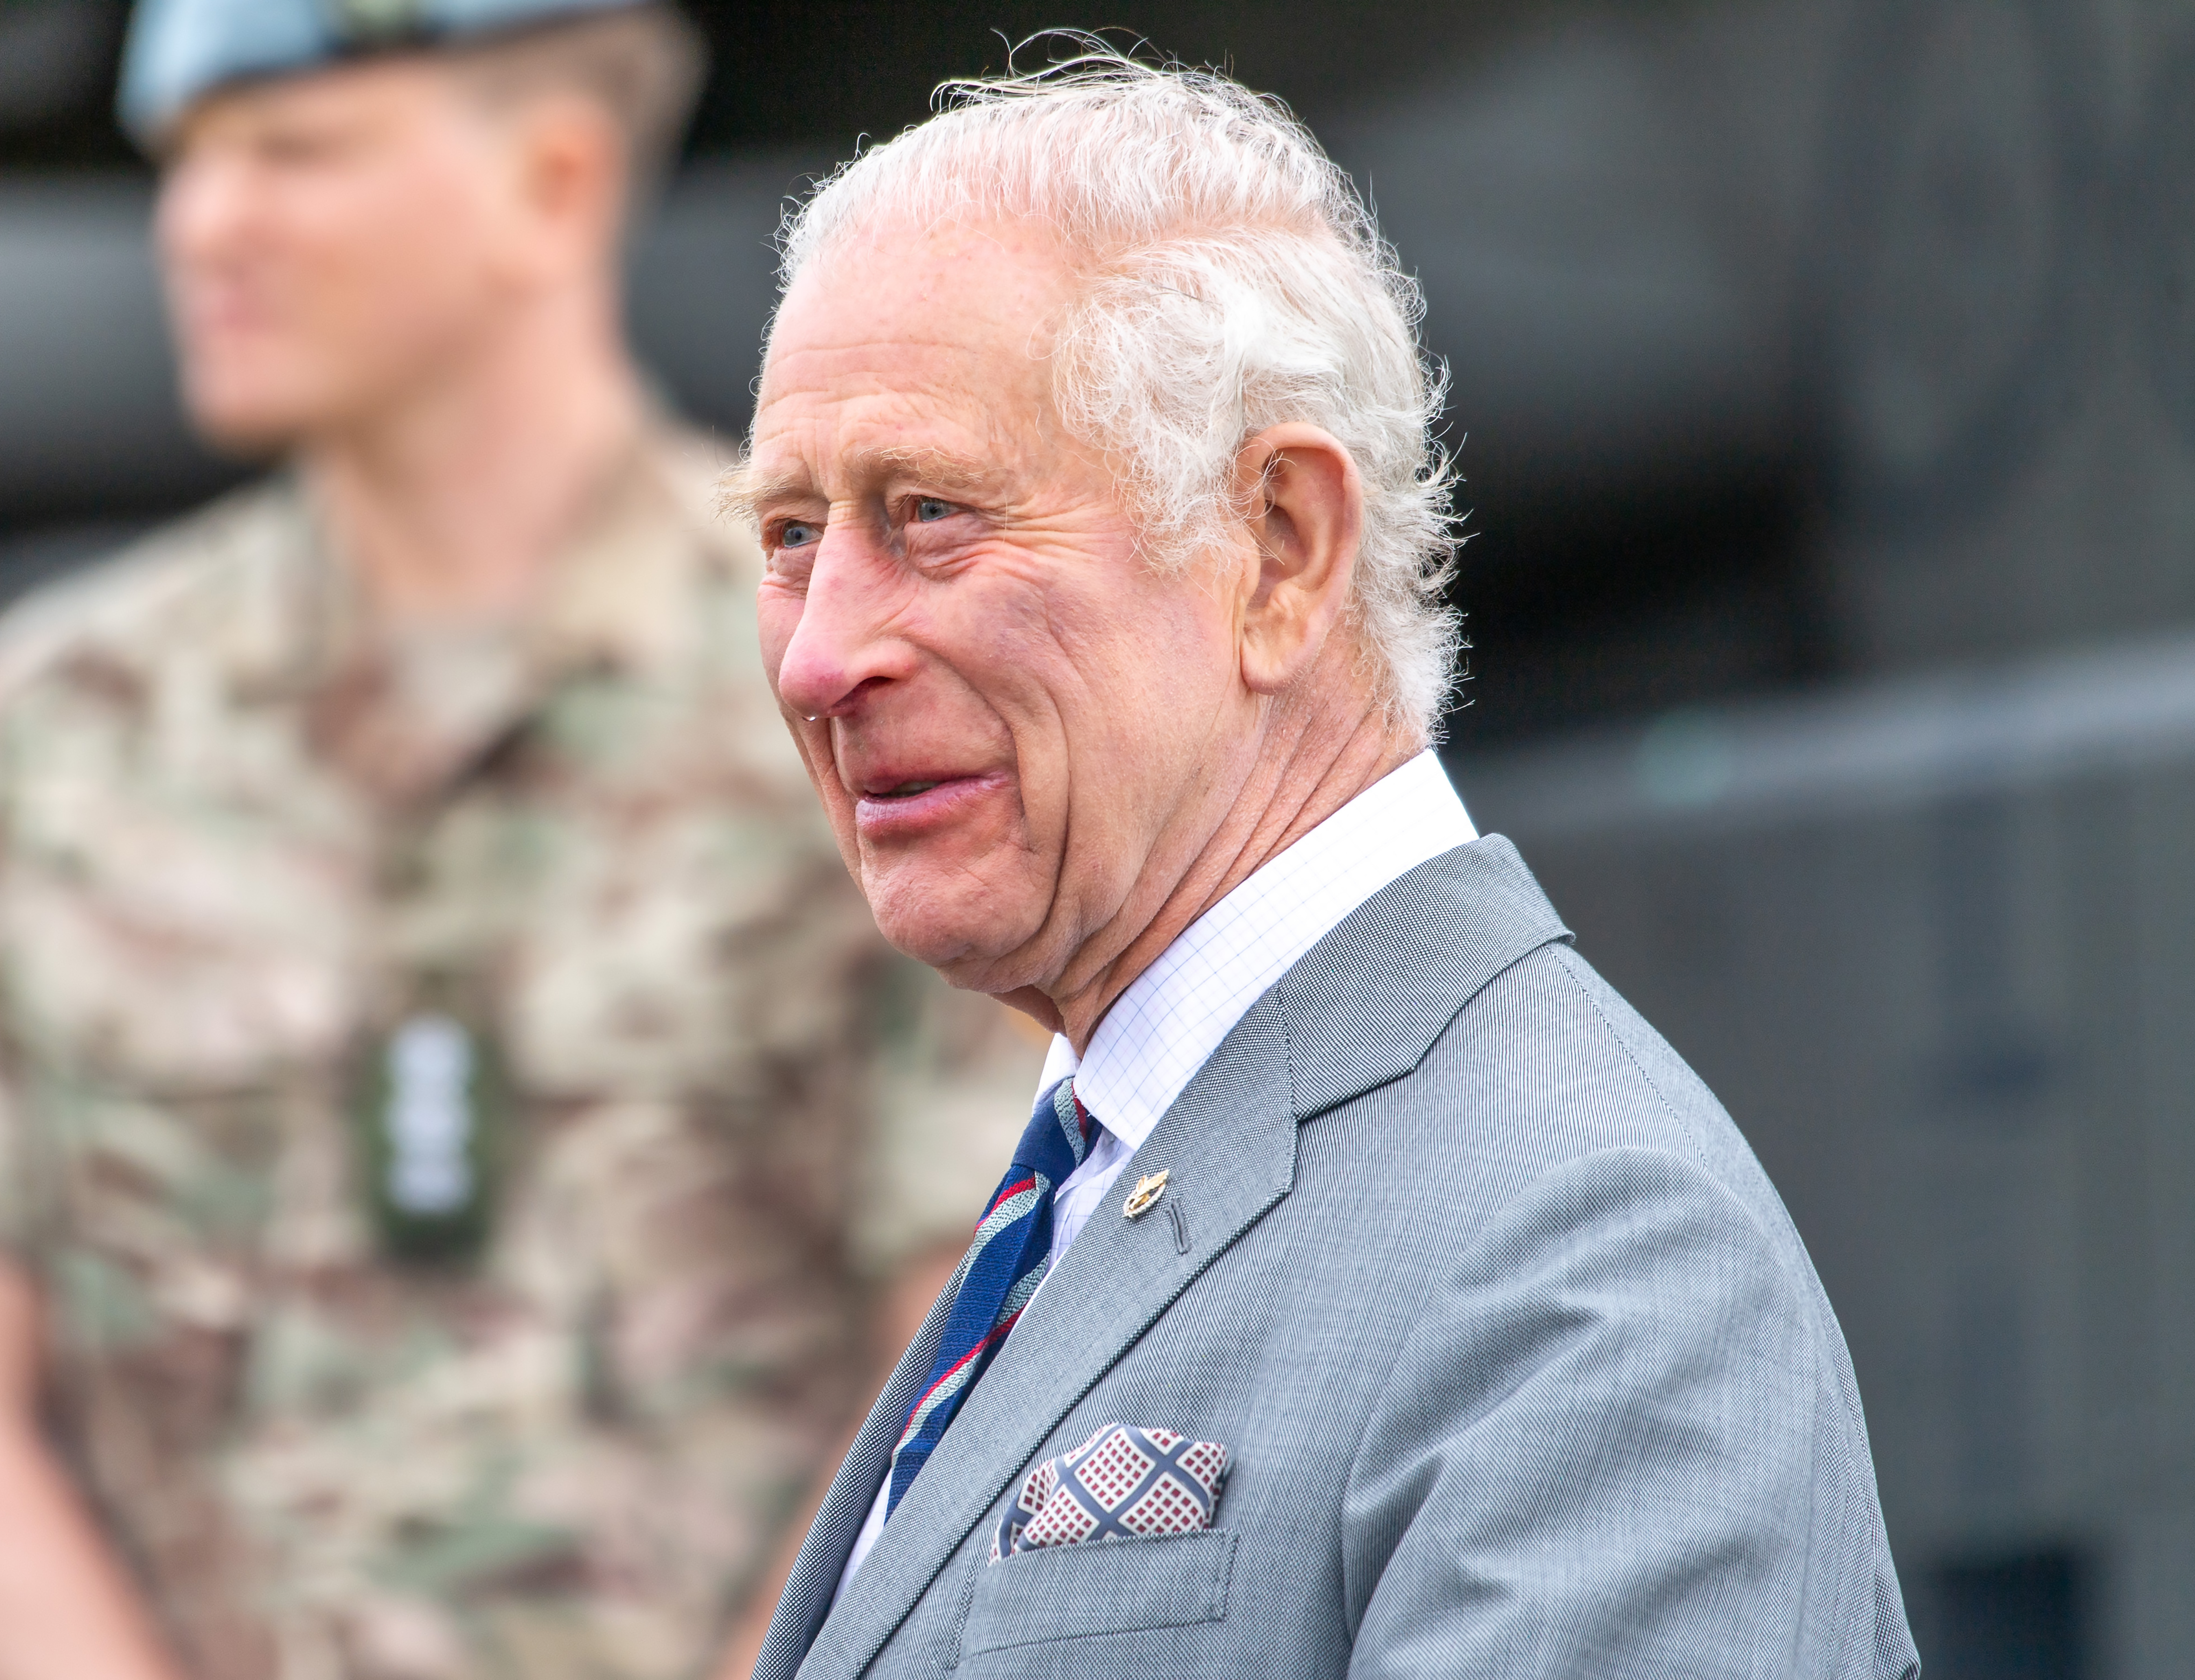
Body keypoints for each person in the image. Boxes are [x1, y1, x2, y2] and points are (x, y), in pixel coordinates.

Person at [0, 5, 1038, 1679]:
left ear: (549, 184)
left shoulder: (848, 694)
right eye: (186, 166)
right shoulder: (53, 724)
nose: (205, 224)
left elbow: (978, 1347)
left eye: (292, 152)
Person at [723, 55, 1924, 1680]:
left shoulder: (1590, 1261)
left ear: (1282, 549)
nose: (820, 656)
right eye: (793, 537)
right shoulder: (1124, 1164)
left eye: (930, 513)